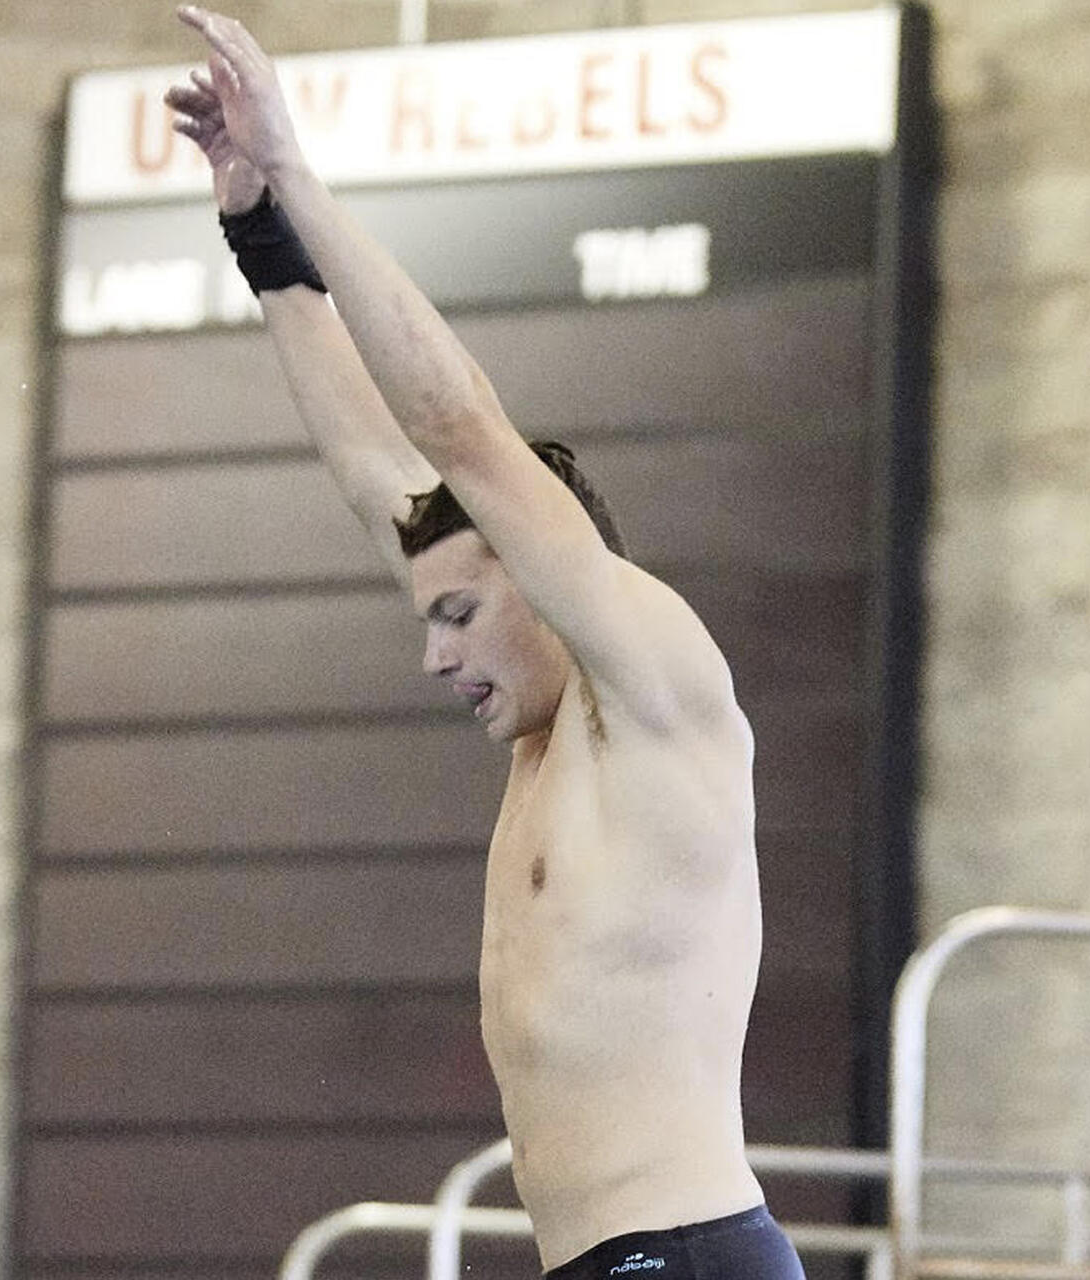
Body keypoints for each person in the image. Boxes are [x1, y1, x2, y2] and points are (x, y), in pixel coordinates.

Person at [168, 9, 806, 1278]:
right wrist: (255, 228)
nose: (436, 656)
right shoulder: (542, 743)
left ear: (543, 569)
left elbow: (459, 430)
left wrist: (296, 169)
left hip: (685, 1252)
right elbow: (373, 460)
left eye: (459, 614)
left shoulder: (653, 685)